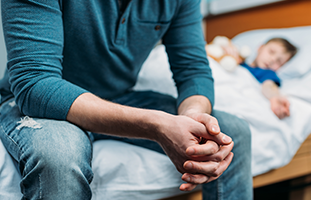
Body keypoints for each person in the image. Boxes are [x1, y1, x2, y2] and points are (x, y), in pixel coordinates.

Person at [0, 0, 252, 199]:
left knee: (232, 134)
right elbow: (36, 84)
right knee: (58, 158)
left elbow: (192, 70)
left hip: (117, 96)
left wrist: (192, 119)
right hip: (40, 103)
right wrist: (156, 125)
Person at [240, 38, 297, 119]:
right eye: (271, 52)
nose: (272, 59)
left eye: (279, 61)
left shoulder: (268, 73)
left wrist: (275, 97)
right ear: (260, 48)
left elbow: (269, 85)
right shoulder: (239, 62)